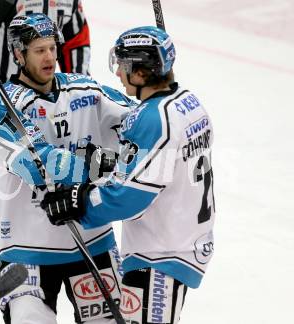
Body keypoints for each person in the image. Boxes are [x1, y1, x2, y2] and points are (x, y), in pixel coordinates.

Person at [40, 26, 216, 323]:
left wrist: (78, 203)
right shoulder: (188, 103)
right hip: (182, 240)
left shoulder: (152, 118)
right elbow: (157, 165)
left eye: (123, 66)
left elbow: (128, 197)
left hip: (160, 254)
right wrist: (101, 161)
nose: (118, 74)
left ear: (142, 71)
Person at [0, 13, 136, 324]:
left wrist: (163, 104)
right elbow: (38, 163)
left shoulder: (85, 90)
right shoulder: (2, 105)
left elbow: (140, 122)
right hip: (27, 248)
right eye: (39, 50)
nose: (50, 57)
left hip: (91, 238)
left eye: (52, 47)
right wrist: (95, 166)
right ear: (18, 54)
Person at [0, 0, 92, 252]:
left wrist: (77, 90)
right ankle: (11, 239)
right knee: (19, 165)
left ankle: (49, 239)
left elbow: (76, 40)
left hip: (46, 98)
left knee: (50, 162)